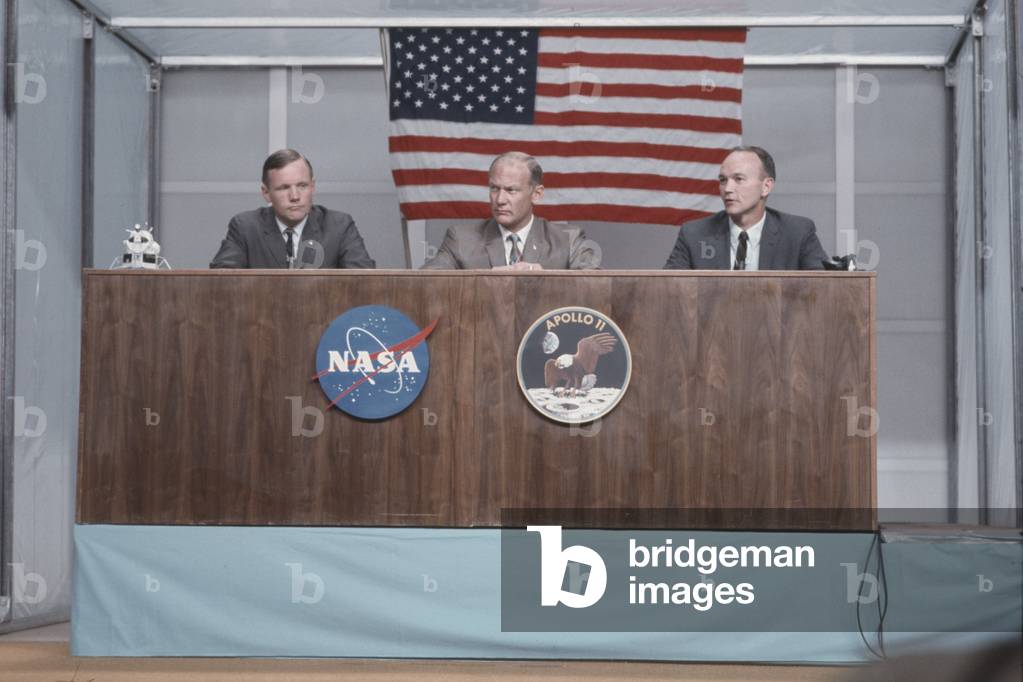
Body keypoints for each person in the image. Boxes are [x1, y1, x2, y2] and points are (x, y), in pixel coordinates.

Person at [421, 152, 601, 270]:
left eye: (511, 190)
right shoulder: (460, 239)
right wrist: (484, 280)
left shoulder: (568, 240)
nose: (499, 200)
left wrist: (549, 280)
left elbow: (596, 289)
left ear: (536, 194)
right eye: (494, 188)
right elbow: (424, 284)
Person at [663, 146, 828, 270]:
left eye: (739, 179)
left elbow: (825, 290)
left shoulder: (797, 233)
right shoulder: (694, 234)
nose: (727, 189)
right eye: (723, 180)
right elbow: (666, 290)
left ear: (766, 186)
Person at [210, 149, 375, 269]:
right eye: (283, 188)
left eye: (302, 186)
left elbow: (364, 281)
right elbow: (222, 279)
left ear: (313, 186)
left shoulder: (339, 226)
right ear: (266, 193)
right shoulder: (245, 227)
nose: (295, 196)